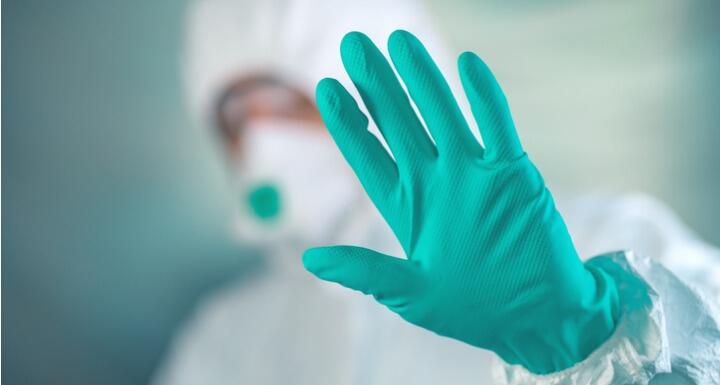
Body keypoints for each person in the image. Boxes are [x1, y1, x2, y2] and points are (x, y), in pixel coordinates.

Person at [153, 1, 720, 384]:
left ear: (380, 106)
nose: (262, 143)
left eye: (288, 104)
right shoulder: (225, 337)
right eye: (235, 118)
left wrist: (583, 338)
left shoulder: (604, 237)